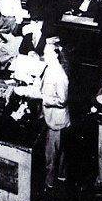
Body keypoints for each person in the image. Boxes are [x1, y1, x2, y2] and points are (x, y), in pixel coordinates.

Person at [41, 42, 69, 189]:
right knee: (60, 151)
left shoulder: (60, 75)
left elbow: (62, 101)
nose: (44, 56)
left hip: (56, 121)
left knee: (51, 155)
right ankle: (61, 176)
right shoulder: (49, 68)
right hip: (51, 117)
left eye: (46, 53)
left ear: (55, 55)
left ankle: (49, 183)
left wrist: (43, 99)